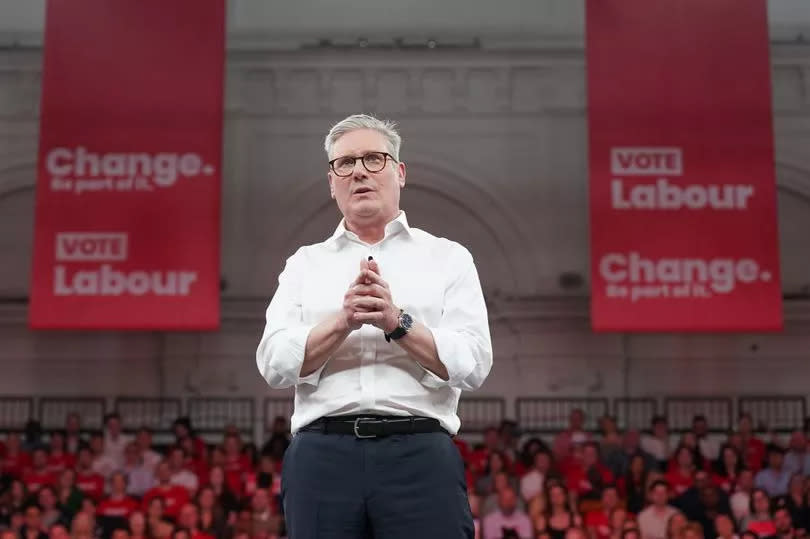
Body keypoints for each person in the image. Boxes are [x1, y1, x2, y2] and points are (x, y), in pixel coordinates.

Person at [255, 113, 493, 538]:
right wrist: (344, 320)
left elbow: (473, 364)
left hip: (420, 454)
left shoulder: (449, 258)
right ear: (332, 183)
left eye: (373, 158)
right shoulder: (304, 264)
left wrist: (396, 322)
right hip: (322, 457)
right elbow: (273, 364)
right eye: (345, 163)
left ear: (399, 172)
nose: (359, 170)